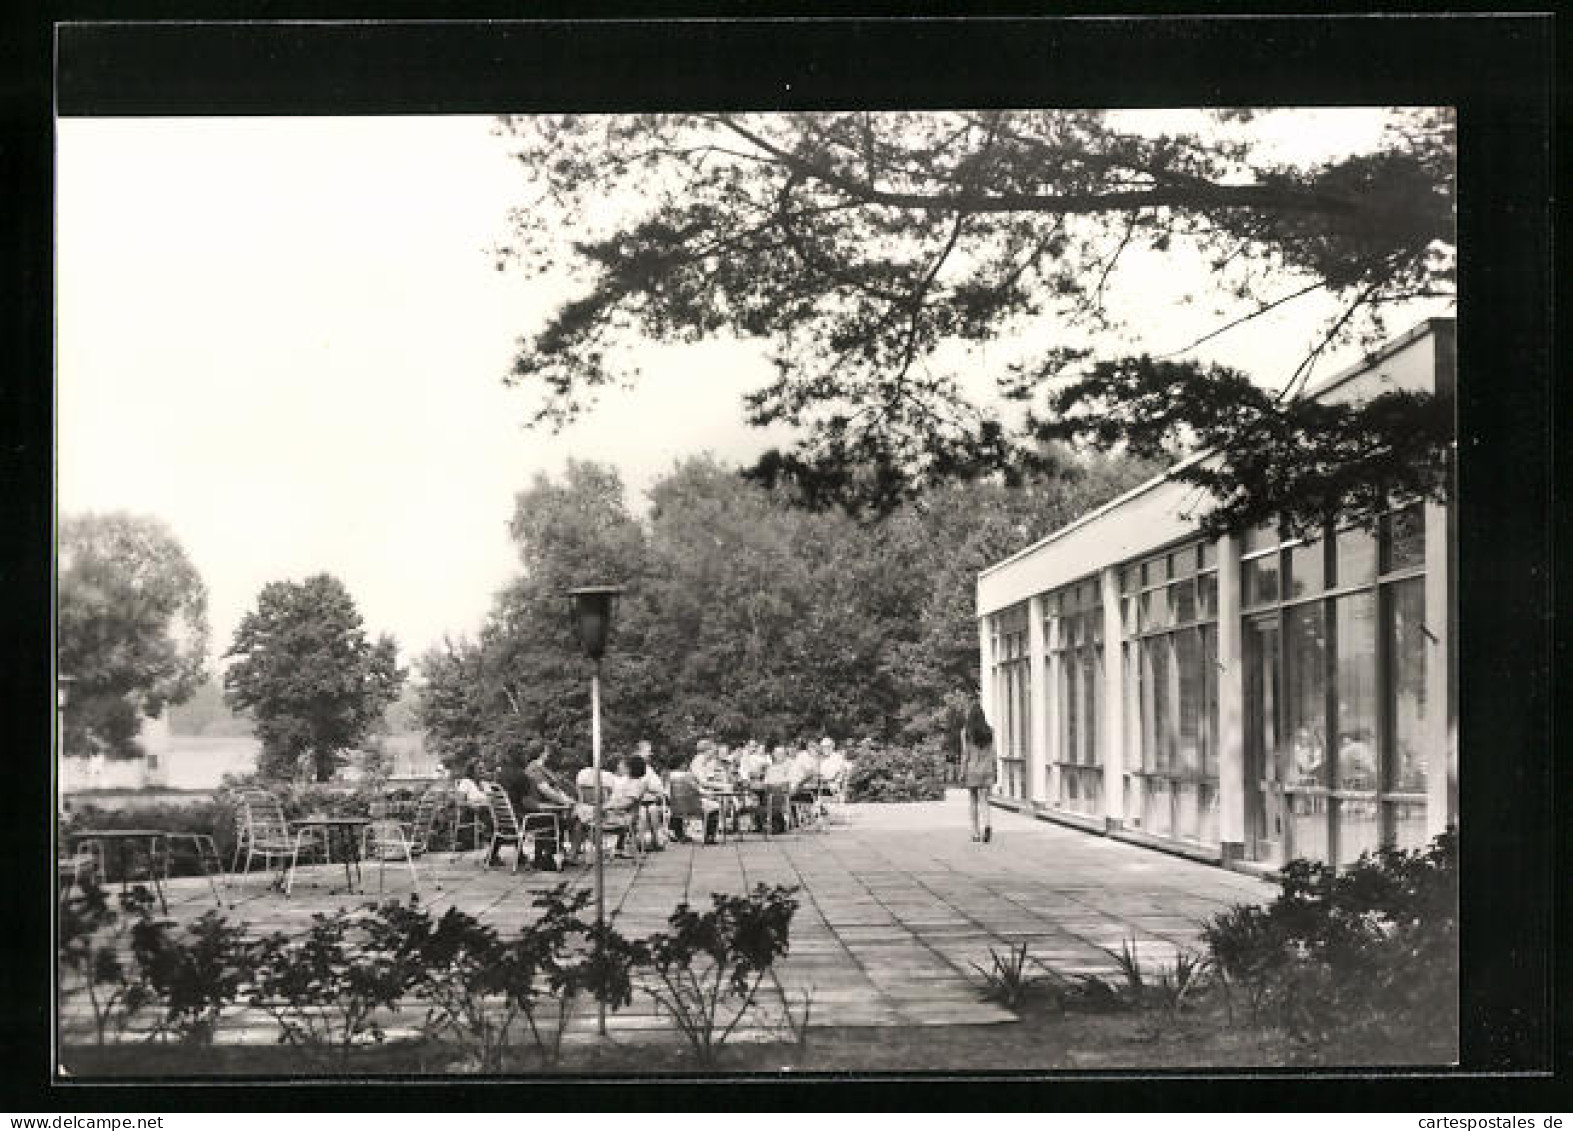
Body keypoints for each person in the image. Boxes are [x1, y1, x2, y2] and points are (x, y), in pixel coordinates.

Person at [960, 697, 997, 843]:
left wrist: (962, 771)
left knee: (973, 801)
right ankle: (987, 825)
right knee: (985, 801)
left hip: (972, 770)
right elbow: (994, 753)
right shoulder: (990, 731)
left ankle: (975, 832)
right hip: (987, 770)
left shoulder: (965, 732)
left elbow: (965, 754)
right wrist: (995, 770)